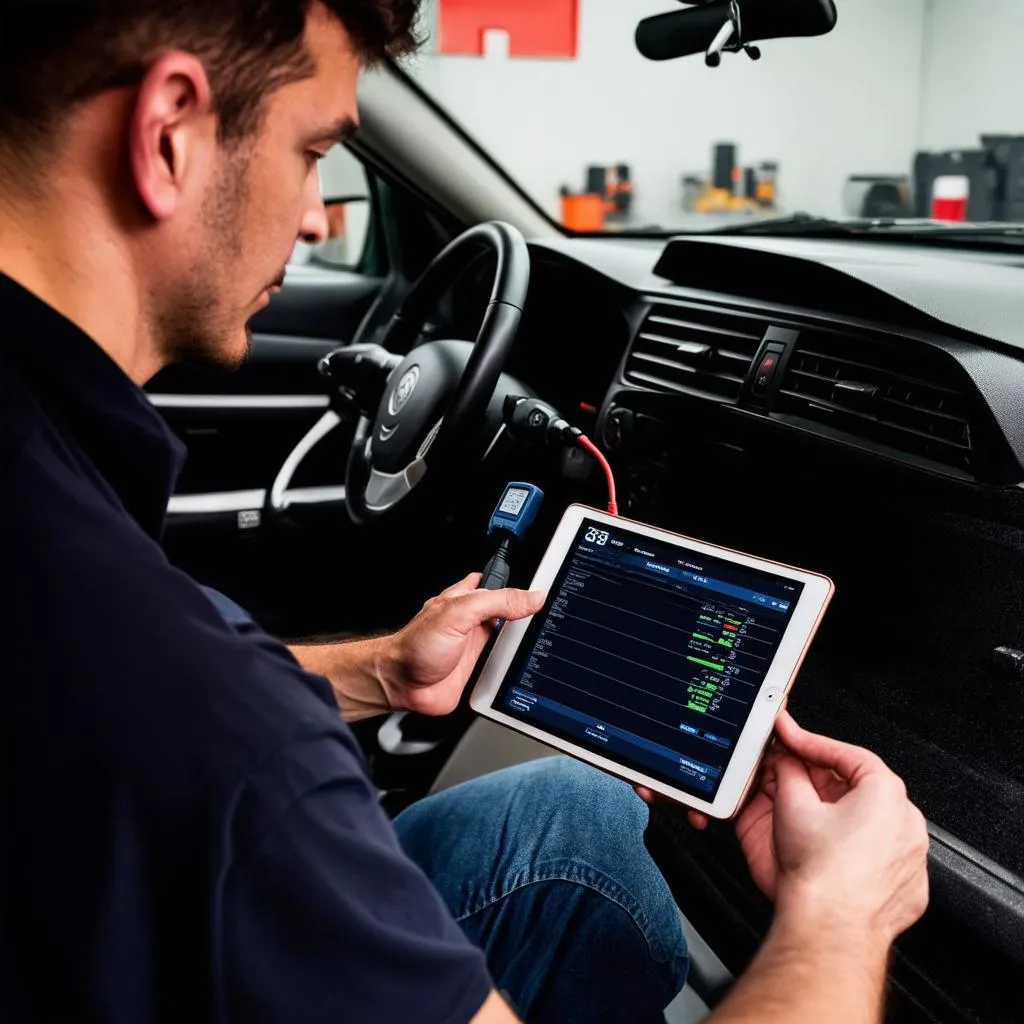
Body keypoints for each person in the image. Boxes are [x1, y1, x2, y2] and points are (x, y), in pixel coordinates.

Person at [0, 2, 929, 1022]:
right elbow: (189, 722)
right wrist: (840, 913)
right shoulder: (233, 746)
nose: (316, 216)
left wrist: (378, 668)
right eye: (314, 151)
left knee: (572, 811)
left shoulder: (52, 492)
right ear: (169, 128)